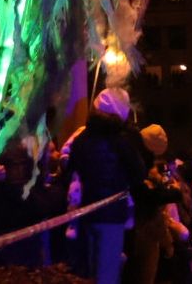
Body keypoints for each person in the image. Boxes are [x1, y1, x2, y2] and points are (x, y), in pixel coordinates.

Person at [68, 87, 147, 284]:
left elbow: (70, 170)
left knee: (87, 272)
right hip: (112, 215)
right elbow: (139, 173)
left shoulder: (81, 139)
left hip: (85, 212)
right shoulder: (121, 140)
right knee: (108, 273)